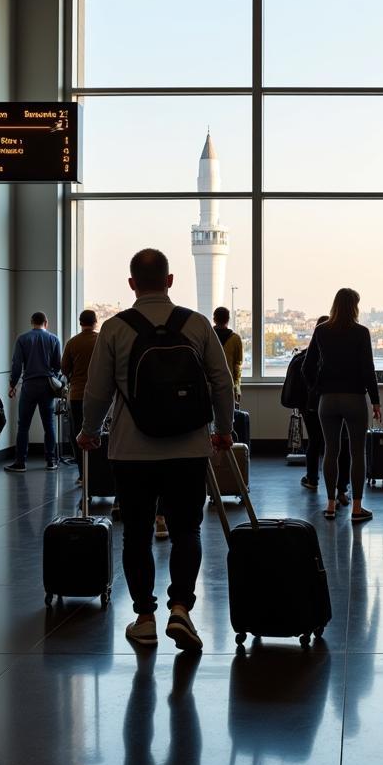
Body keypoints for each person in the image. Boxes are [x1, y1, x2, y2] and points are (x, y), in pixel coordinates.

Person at [78, 249, 235, 651]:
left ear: (132, 284)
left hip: (132, 451)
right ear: (170, 280)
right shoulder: (197, 324)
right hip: (188, 448)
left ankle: (144, 617)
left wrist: (90, 432)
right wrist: (223, 431)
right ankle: (181, 608)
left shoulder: (115, 328)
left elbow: (97, 390)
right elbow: (221, 383)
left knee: (136, 533)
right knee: (187, 529)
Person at [301, 289, 380, 523]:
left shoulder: (322, 331)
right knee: (357, 453)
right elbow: (368, 369)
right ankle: (357, 508)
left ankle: (330, 505)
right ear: (355, 306)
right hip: (354, 398)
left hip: (328, 400)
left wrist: (317, 387)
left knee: (330, 452)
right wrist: (375, 400)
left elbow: (306, 367)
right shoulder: (361, 332)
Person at [300, 316, 352, 499]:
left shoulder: (305, 356)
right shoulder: (340, 355)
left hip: (313, 406)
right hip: (340, 403)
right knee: (341, 444)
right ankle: (342, 488)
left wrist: (315, 391)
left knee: (315, 442)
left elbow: (304, 374)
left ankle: (312, 479)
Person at [6, 311, 61, 473]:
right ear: (46, 322)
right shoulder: (54, 339)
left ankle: (20, 462)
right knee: (49, 425)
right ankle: (51, 461)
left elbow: (17, 364)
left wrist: (12, 384)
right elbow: (58, 365)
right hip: (47, 386)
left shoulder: (23, 339)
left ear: (32, 322)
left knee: (23, 425)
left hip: (29, 385)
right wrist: (53, 378)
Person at [61, 309, 99, 481]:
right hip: (98, 394)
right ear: (95, 322)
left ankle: (83, 474)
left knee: (78, 433)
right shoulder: (100, 340)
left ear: (80, 322)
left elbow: (64, 369)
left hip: (77, 395)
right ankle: (98, 473)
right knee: (98, 434)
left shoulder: (72, 342)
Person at [212, 307, 243, 404]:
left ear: (214, 320)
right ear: (228, 319)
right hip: (228, 384)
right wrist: (237, 388)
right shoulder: (235, 339)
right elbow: (237, 365)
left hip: (210, 384)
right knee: (229, 418)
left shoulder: (208, 337)